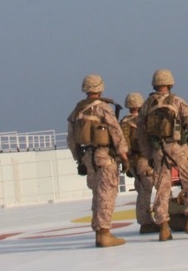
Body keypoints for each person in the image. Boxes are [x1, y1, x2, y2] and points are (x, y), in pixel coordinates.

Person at [136, 68, 188, 241]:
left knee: (162, 188)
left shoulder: (147, 105)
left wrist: (149, 154)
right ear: (170, 83)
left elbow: (140, 133)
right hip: (177, 148)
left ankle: (163, 228)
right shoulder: (177, 101)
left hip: (158, 152)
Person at [66, 74, 129, 248]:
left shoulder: (77, 111)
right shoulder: (103, 108)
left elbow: (71, 140)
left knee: (96, 195)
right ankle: (105, 233)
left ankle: (98, 233)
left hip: (87, 157)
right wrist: (124, 156)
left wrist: (79, 160)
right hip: (104, 156)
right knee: (107, 194)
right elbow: (116, 132)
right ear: (100, 88)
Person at [119, 91, 158, 234]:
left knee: (141, 190)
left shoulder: (122, 123)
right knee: (146, 190)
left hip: (131, 161)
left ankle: (145, 221)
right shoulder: (141, 121)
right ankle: (147, 222)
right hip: (143, 160)